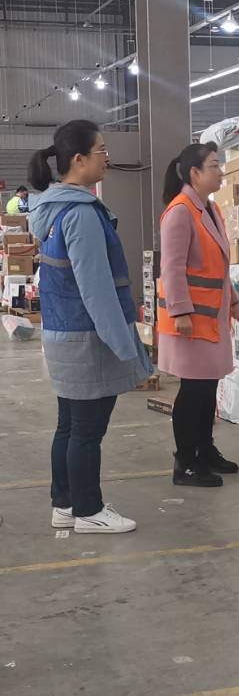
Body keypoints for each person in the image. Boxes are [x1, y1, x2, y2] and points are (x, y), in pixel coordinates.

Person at [29, 120, 152, 534]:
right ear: (79, 160)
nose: (108, 158)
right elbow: (97, 290)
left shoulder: (53, 209)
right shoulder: (80, 214)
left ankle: (65, 505)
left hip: (63, 332)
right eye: (102, 151)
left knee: (69, 425)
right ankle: (88, 511)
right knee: (86, 431)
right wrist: (126, 347)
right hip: (87, 338)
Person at [158, 143, 239, 488]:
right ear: (194, 173)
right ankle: (186, 462)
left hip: (212, 318)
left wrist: (233, 301)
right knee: (193, 391)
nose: (220, 171)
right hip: (190, 320)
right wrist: (180, 311)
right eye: (214, 165)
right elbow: (172, 267)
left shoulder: (211, 209)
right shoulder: (180, 211)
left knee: (208, 387)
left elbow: (219, 266)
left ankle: (205, 450)